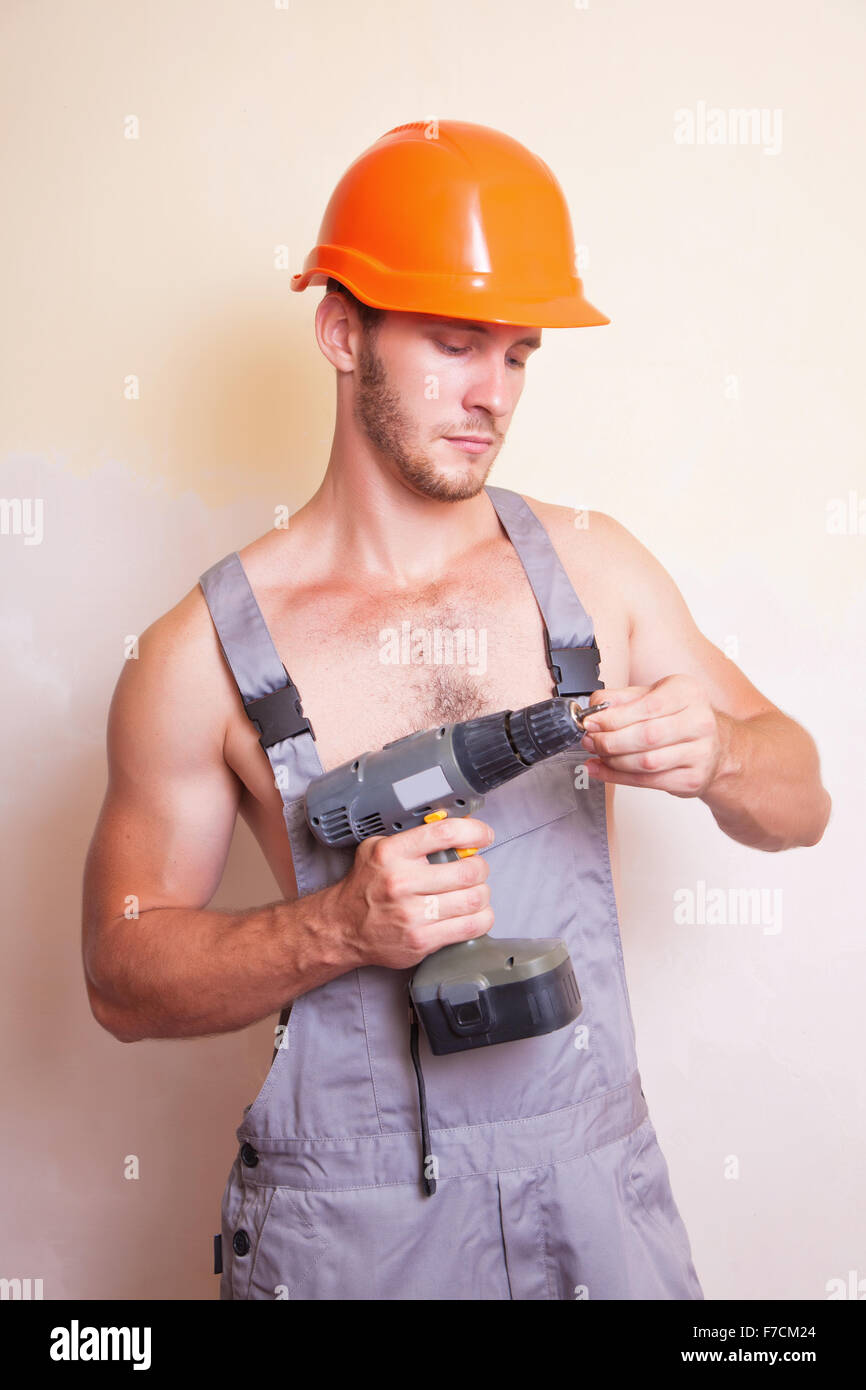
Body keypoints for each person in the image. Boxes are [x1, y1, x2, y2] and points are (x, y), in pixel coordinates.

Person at [82, 121, 831, 1300]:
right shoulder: (199, 654)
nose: (494, 396)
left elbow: (803, 802)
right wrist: (336, 930)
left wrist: (722, 752)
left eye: (520, 355)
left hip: (596, 1206)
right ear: (341, 332)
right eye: (453, 343)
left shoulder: (599, 569)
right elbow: (119, 975)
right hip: (352, 1233)